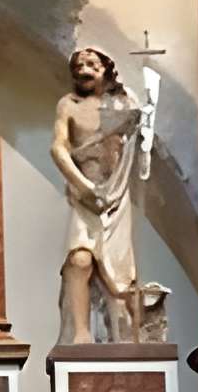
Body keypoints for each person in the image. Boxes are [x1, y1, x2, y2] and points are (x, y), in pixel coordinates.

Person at [51, 46, 145, 344]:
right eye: (79, 65)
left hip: (115, 195)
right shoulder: (69, 105)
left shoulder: (123, 103)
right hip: (84, 196)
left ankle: (130, 335)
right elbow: (59, 148)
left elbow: (138, 141)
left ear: (106, 68)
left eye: (92, 64)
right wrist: (83, 186)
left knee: (121, 273)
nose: (84, 69)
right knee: (79, 261)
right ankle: (81, 333)